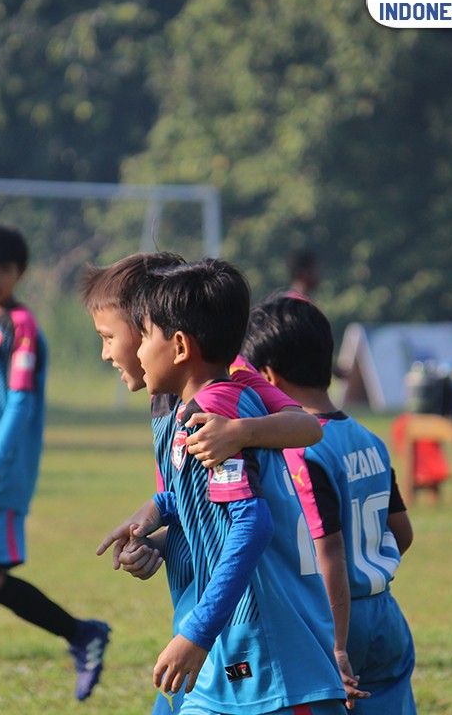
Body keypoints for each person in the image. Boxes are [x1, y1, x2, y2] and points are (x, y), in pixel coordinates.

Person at [79, 252, 327, 714]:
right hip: (209, 611)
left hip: (243, 625)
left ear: (166, 337)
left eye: (113, 336)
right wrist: (155, 522)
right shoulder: (172, 402)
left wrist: (241, 432)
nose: (109, 352)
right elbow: (196, 501)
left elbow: (252, 519)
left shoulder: (216, 403)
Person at [0, 224, 109, 707]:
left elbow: (19, 407)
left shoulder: (22, 328)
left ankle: (83, 634)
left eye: (5, 268)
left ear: (21, 273)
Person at [241, 295, 417, 714]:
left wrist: (338, 645)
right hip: (384, 612)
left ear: (268, 375)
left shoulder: (303, 448)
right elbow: (403, 533)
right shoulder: (367, 439)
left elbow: (329, 553)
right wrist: (370, 566)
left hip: (334, 619)